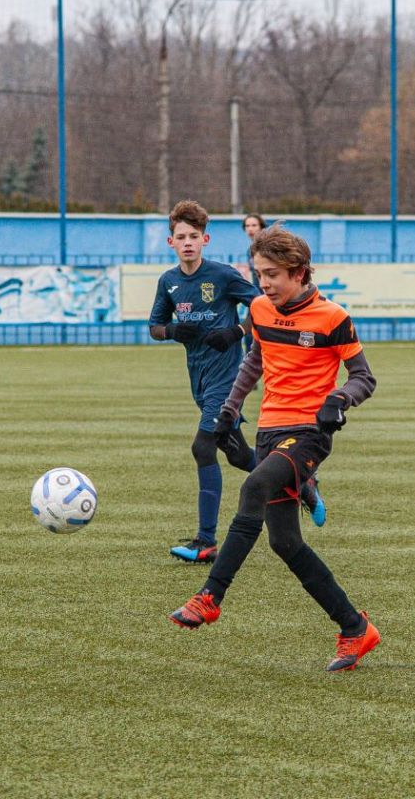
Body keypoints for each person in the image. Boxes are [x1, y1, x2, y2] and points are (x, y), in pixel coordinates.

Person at [169, 225, 381, 672]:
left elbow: (364, 377)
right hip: (269, 431)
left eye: (272, 275)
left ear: (299, 272)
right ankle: (354, 627)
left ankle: (210, 596)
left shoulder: (332, 317)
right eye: (259, 274)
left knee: (254, 487)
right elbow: (255, 360)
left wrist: (339, 399)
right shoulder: (260, 310)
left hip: (309, 433)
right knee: (285, 542)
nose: (263, 284)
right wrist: (229, 411)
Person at [149, 201, 321, 564]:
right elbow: (154, 327)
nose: (188, 243)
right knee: (239, 455)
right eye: (181, 237)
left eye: (194, 236)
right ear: (170, 242)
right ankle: (302, 482)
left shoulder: (223, 276)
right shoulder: (169, 282)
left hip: (227, 380)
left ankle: (205, 541)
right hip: (199, 380)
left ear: (205, 239)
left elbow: (263, 306)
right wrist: (174, 331)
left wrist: (236, 332)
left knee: (202, 447)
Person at [239, 213, 268, 353]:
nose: (250, 229)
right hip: (257, 297)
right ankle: (249, 362)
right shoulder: (250, 250)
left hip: (271, 297)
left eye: (254, 225)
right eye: (247, 226)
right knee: (249, 334)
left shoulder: (269, 247)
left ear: (261, 227)